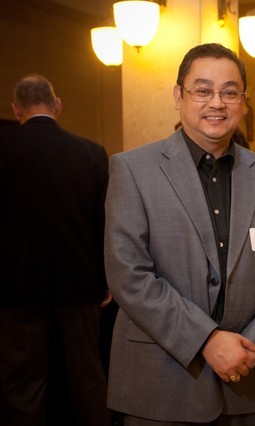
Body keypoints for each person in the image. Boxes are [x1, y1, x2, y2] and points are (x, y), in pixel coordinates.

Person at [104, 43, 255, 425]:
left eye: (229, 92)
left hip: (246, 384)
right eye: (202, 90)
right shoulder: (133, 170)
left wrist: (253, 347)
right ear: (178, 96)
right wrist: (207, 340)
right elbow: (128, 274)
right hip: (160, 384)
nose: (217, 102)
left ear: (243, 102)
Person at [0, 74, 112, 425]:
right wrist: (107, 279)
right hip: (79, 286)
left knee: (21, 384)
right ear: (57, 105)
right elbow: (104, 223)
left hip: (14, 286)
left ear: (17, 109)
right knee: (87, 378)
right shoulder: (91, 152)